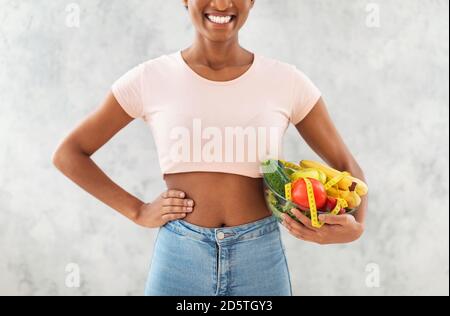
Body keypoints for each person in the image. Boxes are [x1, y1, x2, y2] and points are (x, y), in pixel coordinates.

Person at [53, 0, 368, 296]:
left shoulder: (287, 81)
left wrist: (356, 228)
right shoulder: (150, 78)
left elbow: (348, 168)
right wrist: (137, 211)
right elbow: (70, 154)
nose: (220, 4)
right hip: (179, 257)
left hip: (261, 259)